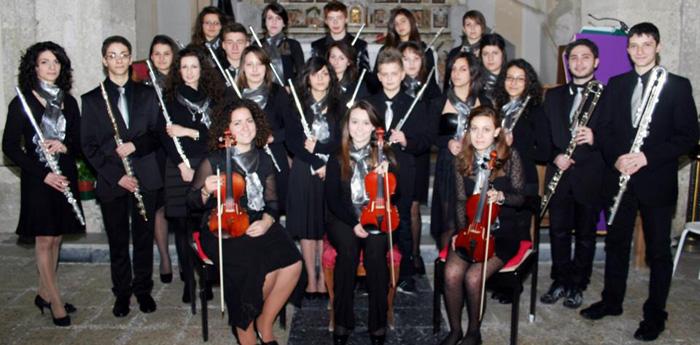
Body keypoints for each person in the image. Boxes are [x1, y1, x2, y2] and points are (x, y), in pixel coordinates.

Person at [581, 22, 699, 342]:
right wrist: (617, 156)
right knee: (616, 243)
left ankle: (655, 314)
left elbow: (689, 136)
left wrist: (646, 157)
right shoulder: (616, 84)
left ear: (657, 46)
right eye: (634, 45)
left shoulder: (677, 85)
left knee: (658, 251)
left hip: (655, 181)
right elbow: (602, 130)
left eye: (646, 44)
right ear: (627, 49)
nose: (640, 51)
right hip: (618, 179)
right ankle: (612, 301)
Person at [187, 98, 302, 345]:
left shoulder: (264, 159)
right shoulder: (214, 161)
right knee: (258, 268)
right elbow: (191, 202)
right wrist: (205, 191)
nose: (245, 127)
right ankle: (244, 327)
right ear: (226, 129)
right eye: (237, 123)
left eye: (249, 121)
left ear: (257, 124)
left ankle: (265, 323)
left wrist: (269, 221)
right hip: (220, 226)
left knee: (293, 262)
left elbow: (272, 203)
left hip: (257, 219)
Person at [2, 41, 85, 327]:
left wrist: (65, 146)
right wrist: (42, 173)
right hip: (39, 179)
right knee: (44, 238)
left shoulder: (68, 101)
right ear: (34, 67)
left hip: (64, 176)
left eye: (56, 62)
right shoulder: (22, 101)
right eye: (45, 62)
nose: (51, 67)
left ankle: (42, 292)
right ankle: (56, 300)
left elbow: (79, 143)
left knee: (58, 236)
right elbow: (9, 147)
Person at [81, 36, 162, 317]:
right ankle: (122, 293)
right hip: (113, 180)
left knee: (143, 238)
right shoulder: (91, 100)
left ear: (130, 59)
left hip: (146, 176)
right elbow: (88, 146)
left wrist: (135, 145)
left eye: (123, 54)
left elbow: (157, 134)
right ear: (104, 60)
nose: (118, 60)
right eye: (112, 55)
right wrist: (117, 177)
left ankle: (143, 289)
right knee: (118, 241)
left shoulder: (148, 94)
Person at [440, 105, 526, 345]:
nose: (479, 135)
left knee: (474, 278)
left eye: (486, 129)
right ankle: (455, 330)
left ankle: (474, 332)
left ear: (497, 131)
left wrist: (502, 198)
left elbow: (522, 196)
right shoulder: (462, 158)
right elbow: (459, 201)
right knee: (451, 273)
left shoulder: (510, 157)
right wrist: (459, 233)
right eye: (474, 129)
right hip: (472, 231)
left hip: (502, 233)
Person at [536, 39, 604, 309]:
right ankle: (560, 280)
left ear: (595, 61)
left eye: (585, 57)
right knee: (558, 231)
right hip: (559, 175)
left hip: (590, 176)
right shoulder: (553, 95)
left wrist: (595, 137)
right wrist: (555, 156)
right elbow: (543, 136)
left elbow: (616, 137)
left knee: (586, 235)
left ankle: (579, 283)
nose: (578, 62)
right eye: (573, 57)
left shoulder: (607, 96)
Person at [325, 101, 397, 345]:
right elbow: (332, 200)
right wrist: (355, 222)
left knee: (376, 255)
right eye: (354, 121)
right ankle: (343, 322)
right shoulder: (337, 156)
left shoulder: (384, 154)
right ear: (347, 125)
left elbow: (397, 193)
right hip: (342, 217)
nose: (360, 128)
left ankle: (377, 325)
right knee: (347, 252)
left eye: (366, 122)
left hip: (375, 215)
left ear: (375, 126)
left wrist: (387, 176)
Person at [160, 45, 225, 302]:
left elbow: (217, 135)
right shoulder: (169, 98)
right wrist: (181, 165)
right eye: (184, 67)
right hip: (180, 168)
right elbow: (164, 136)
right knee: (182, 229)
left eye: (194, 67)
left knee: (205, 227)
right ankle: (189, 282)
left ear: (202, 70)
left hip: (208, 167)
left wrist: (188, 132)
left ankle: (206, 280)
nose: (189, 72)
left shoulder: (215, 98)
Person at [365, 48, 431, 294]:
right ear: (379, 76)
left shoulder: (416, 104)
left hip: (404, 173)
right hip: (374, 174)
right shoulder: (370, 104)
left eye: (394, 73)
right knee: (374, 223)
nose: (390, 78)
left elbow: (426, 140)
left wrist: (406, 140)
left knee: (402, 223)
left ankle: (405, 274)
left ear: (403, 74)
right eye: (385, 74)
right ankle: (374, 273)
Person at [286, 57, 344, 298]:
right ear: (307, 78)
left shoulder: (340, 105)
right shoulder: (296, 104)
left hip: (330, 169)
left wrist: (323, 154)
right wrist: (315, 160)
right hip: (304, 169)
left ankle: (324, 275)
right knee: (308, 227)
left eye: (325, 73)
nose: (320, 78)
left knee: (323, 225)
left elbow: (342, 140)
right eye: (315, 73)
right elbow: (293, 141)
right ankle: (312, 279)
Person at [430, 52, 488, 251]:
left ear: (473, 73)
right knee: (448, 220)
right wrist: (447, 143)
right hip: (448, 165)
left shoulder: (484, 101)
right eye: (453, 69)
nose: (456, 73)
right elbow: (432, 136)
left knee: (469, 217)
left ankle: (467, 263)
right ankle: (445, 267)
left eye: (463, 69)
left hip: (475, 164)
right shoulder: (439, 101)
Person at [397, 40, 441, 275]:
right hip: (396, 155)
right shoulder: (394, 85)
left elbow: (432, 130)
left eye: (416, 59)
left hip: (419, 154)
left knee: (413, 207)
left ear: (422, 62)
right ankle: (397, 255)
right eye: (406, 59)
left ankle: (413, 254)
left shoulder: (431, 91)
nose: (411, 63)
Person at [236, 46, 292, 213]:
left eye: (259, 64)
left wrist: (272, 137)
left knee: (275, 205)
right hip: (242, 158)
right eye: (249, 64)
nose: (254, 69)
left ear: (266, 67)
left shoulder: (278, 92)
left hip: (273, 153)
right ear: (242, 68)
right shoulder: (234, 93)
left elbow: (291, 128)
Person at [145, 34, 178, 285]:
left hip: (179, 149)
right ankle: (165, 258)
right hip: (154, 151)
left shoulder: (182, 81)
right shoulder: (144, 86)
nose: (161, 58)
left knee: (177, 202)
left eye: (166, 53)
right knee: (158, 207)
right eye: (157, 53)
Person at [311, 1, 370, 74]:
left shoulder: (359, 45)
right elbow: (314, 72)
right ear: (326, 21)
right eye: (331, 18)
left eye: (339, 18)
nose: (335, 22)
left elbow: (365, 74)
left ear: (346, 19)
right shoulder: (317, 46)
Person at [379, 8, 437, 81]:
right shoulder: (386, 50)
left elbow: (430, 78)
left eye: (403, 21)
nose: (400, 25)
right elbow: (377, 77)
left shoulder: (424, 49)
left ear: (411, 22)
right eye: (396, 24)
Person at [261, 2, 305, 85]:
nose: (274, 22)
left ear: (284, 23)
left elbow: (301, 73)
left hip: (287, 92)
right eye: (270, 18)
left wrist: (291, 88)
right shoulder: (257, 44)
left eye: (278, 18)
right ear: (264, 22)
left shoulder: (293, 45)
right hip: (263, 92)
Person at [444, 10, 487, 90]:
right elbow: (447, 82)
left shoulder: (488, 53)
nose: (472, 28)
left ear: (482, 28)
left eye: (477, 24)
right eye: (468, 25)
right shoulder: (454, 53)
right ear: (464, 29)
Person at [327, 41, 369, 105]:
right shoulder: (321, 84)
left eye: (341, 58)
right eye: (333, 57)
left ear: (349, 62)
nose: (336, 62)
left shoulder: (359, 88)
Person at [479, 33, 507, 103]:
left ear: (503, 55)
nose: (490, 58)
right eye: (485, 54)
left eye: (495, 53)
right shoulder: (473, 81)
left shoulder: (511, 81)